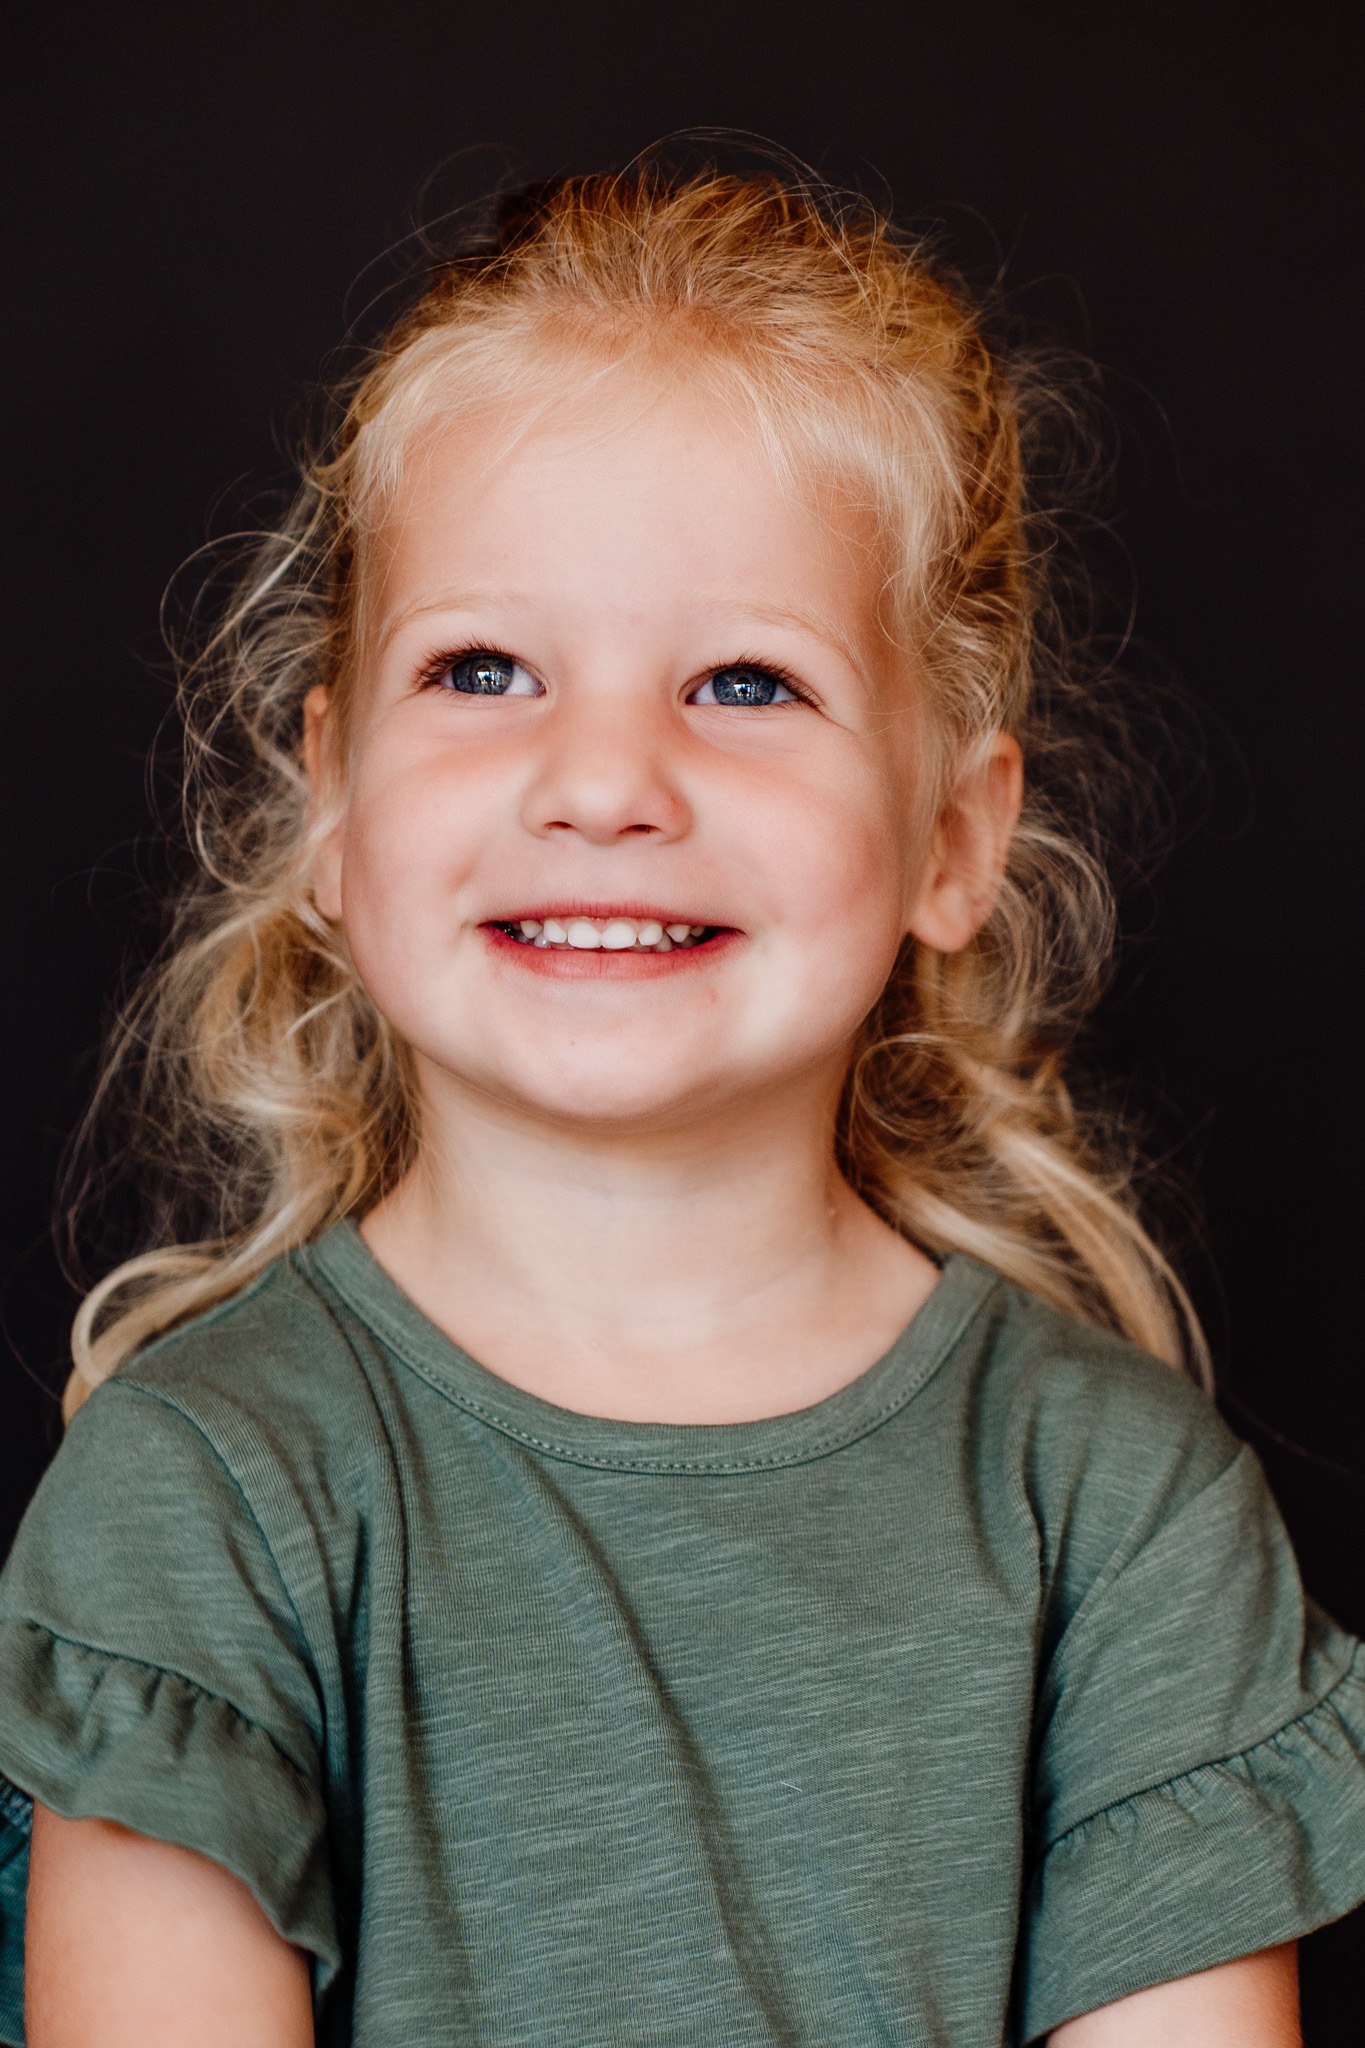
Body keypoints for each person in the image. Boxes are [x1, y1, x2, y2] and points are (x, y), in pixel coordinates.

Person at [0, 166, 1361, 2048]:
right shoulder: (205, 1491)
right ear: (332, 803)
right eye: (483, 669)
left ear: (951, 839)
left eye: (743, 681)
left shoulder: (1120, 1513)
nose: (603, 779)